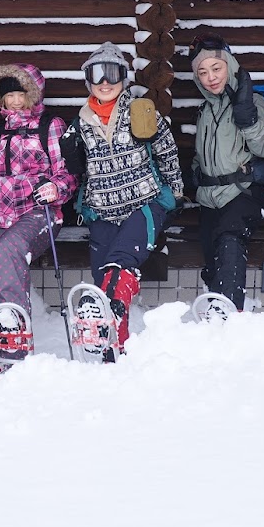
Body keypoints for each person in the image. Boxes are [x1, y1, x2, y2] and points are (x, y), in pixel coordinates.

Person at [60, 42, 184, 359]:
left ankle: (107, 331)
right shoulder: (81, 123)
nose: (105, 82)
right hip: (101, 211)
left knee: (120, 264)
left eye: (112, 73)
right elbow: (78, 171)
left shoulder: (140, 113)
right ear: (88, 80)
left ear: (124, 77)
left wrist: (175, 197)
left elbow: (167, 153)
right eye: (97, 74)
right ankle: (114, 352)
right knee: (107, 279)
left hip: (143, 203)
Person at [0, 62, 75, 367]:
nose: (13, 101)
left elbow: (67, 173)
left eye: (19, 94)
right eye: (8, 95)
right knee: (0, 263)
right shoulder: (0, 129)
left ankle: (15, 338)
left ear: (33, 94)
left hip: (38, 211)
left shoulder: (50, 126)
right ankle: (6, 341)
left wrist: (55, 188)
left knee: (8, 248)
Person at [189, 33, 264, 312]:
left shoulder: (252, 101)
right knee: (211, 253)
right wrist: (195, 174)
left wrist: (248, 118)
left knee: (230, 238)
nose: (211, 77)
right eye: (203, 72)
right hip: (210, 197)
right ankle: (214, 307)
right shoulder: (205, 110)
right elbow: (203, 154)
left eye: (216, 68)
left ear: (230, 65)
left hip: (245, 190)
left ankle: (227, 310)